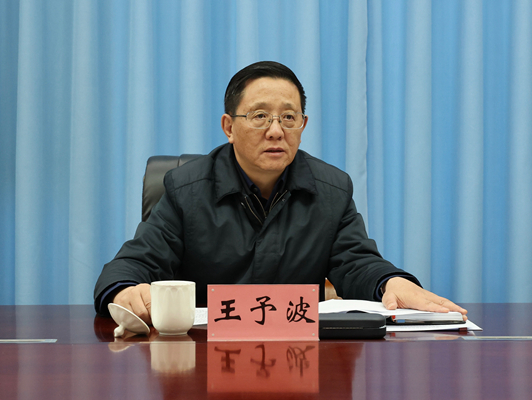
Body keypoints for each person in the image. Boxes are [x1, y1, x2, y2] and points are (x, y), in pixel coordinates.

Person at [94, 61, 467, 325]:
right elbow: (135, 263)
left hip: (298, 356)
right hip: (206, 355)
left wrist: (392, 282)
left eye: (289, 117)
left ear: (303, 125)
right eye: (259, 116)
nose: (276, 130)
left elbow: (355, 263)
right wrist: (124, 291)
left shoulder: (331, 190)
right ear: (229, 126)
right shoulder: (186, 189)